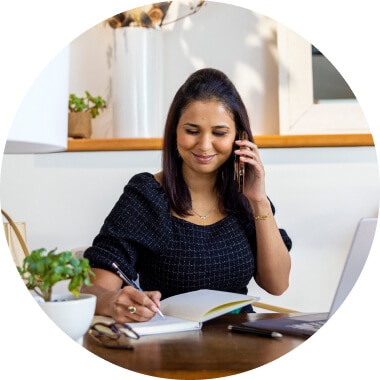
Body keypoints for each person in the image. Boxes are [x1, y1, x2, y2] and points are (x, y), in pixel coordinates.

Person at [81, 68, 292, 323]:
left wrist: (258, 200)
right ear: (174, 132)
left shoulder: (246, 198)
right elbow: (94, 289)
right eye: (192, 131)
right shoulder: (147, 195)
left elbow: (277, 284)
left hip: (242, 340)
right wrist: (114, 302)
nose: (204, 145)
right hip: (171, 343)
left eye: (219, 133)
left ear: (240, 138)